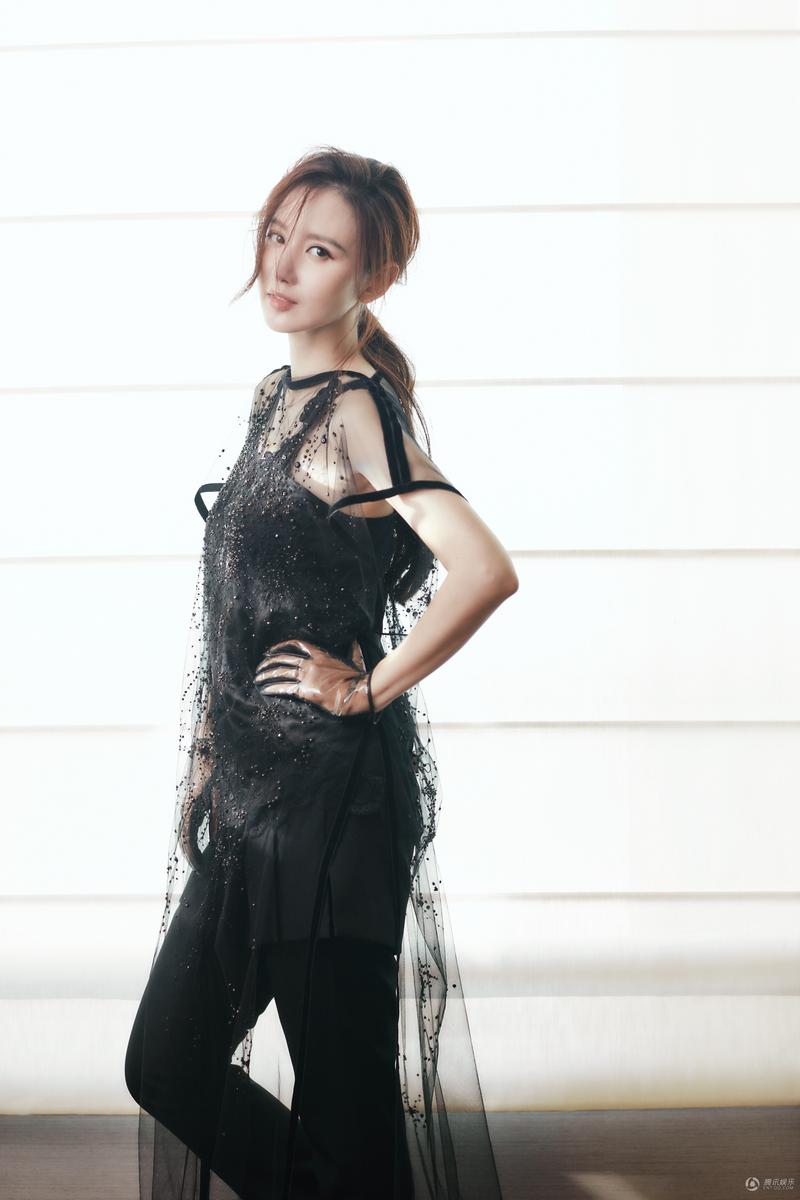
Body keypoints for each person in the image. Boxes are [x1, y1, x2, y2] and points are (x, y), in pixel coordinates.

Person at [124, 146, 518, 1200]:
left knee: (345, 1115)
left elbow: (484, 569)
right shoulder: (275, 398)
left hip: (333, 813)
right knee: (166, 1061)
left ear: (373, 276)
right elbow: (241, 612)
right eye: (275, 236)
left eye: (321, 249)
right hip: (257, 801)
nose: (283, 265)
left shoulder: (354, 411)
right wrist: (210, 756)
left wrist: (364, 687)